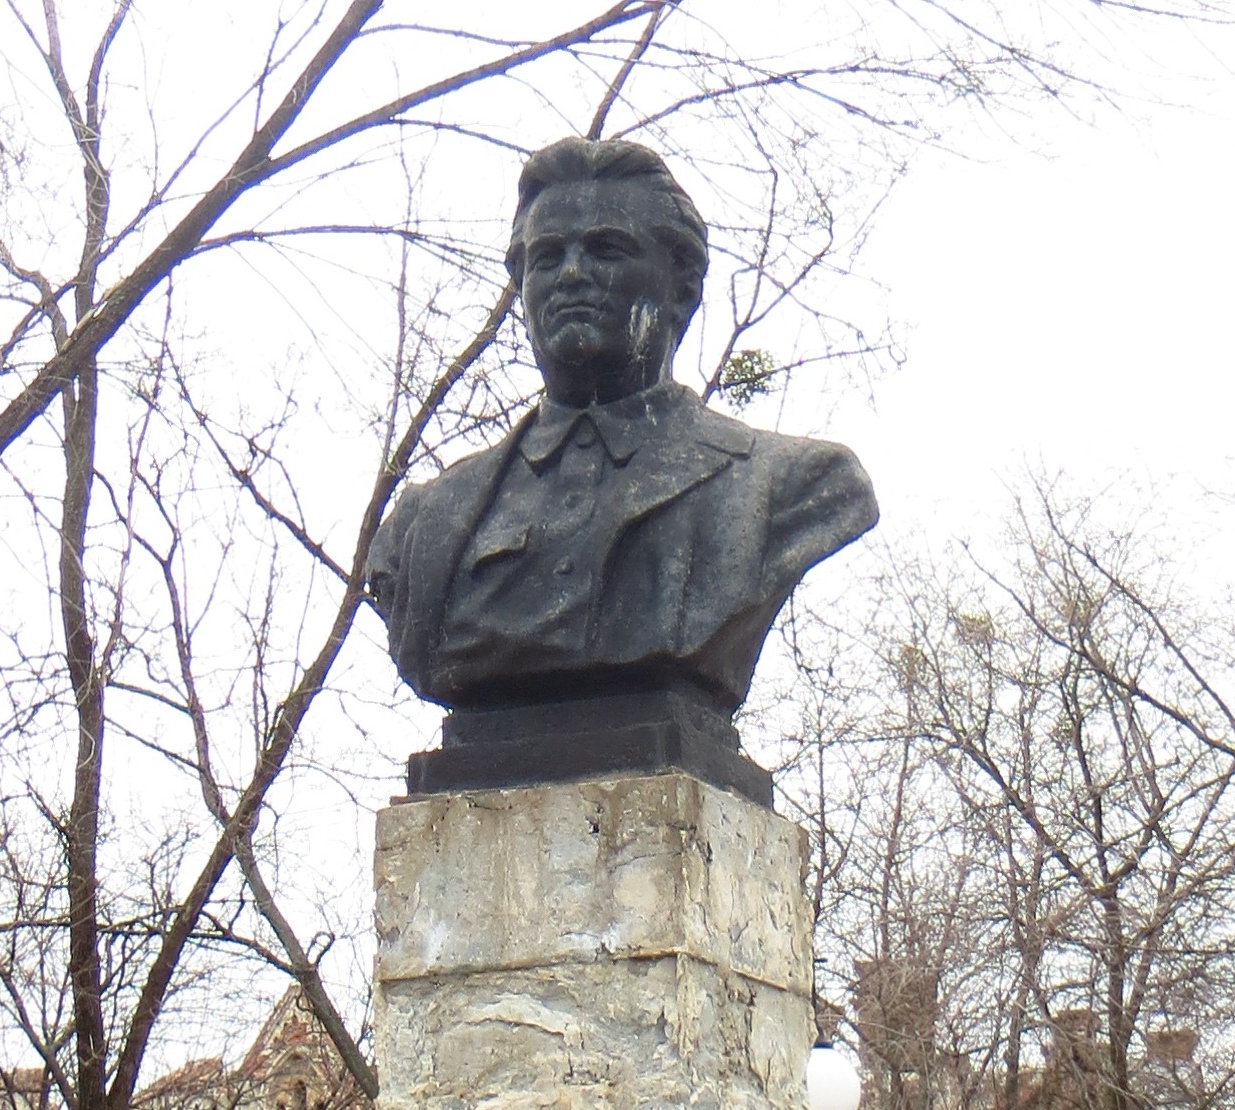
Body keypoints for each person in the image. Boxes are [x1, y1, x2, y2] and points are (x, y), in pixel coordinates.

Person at [368, 136, 876, 716]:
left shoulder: (791, 484)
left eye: (606, 250)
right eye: (547, 258)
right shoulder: (423, 523)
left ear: (682, 287)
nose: (571, 274)